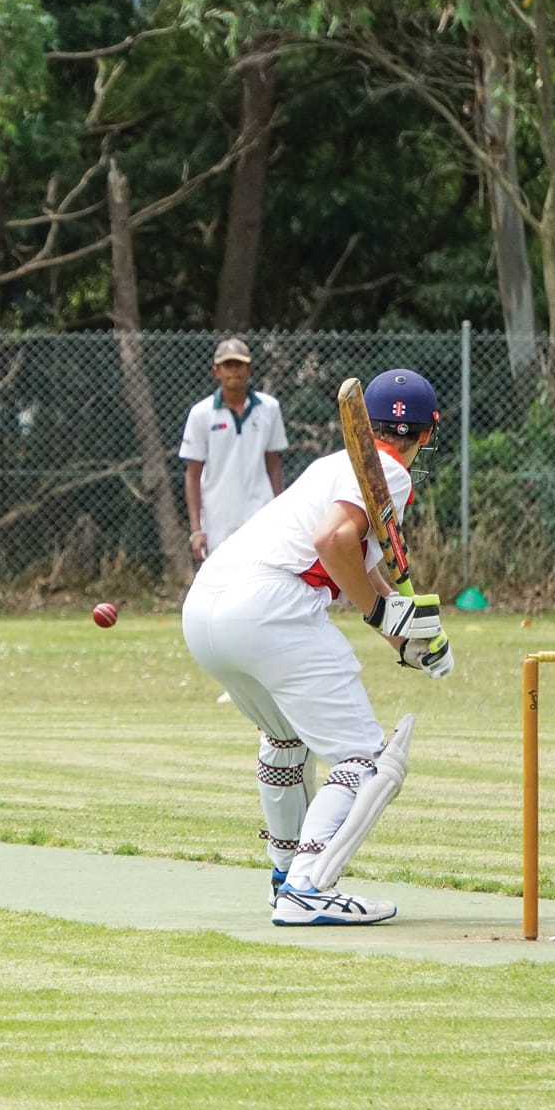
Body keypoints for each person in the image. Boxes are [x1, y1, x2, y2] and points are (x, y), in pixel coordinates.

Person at [181, 368, 453, 926]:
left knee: (285, 739)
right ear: (429, 431)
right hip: (271, 606)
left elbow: (365, 575)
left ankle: (285, 873)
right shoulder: (390, 473)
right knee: (370, 762)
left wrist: (410, 641)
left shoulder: (332, 466)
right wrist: (382, 613)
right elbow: (331, 544)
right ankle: (308, 887)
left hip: (206, 606)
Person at [179, 337, 287, 563]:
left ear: (249, 370)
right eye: (228, 365)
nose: (233, 371)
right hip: (218, 518)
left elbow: (273, 464)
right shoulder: (201, 414)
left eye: (239, 365)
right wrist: (196, 530)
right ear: (216, 371)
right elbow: (193, 473)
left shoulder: (269, 408)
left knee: (262, 578)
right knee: (221, 584)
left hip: (260, 511)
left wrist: (280, 513)